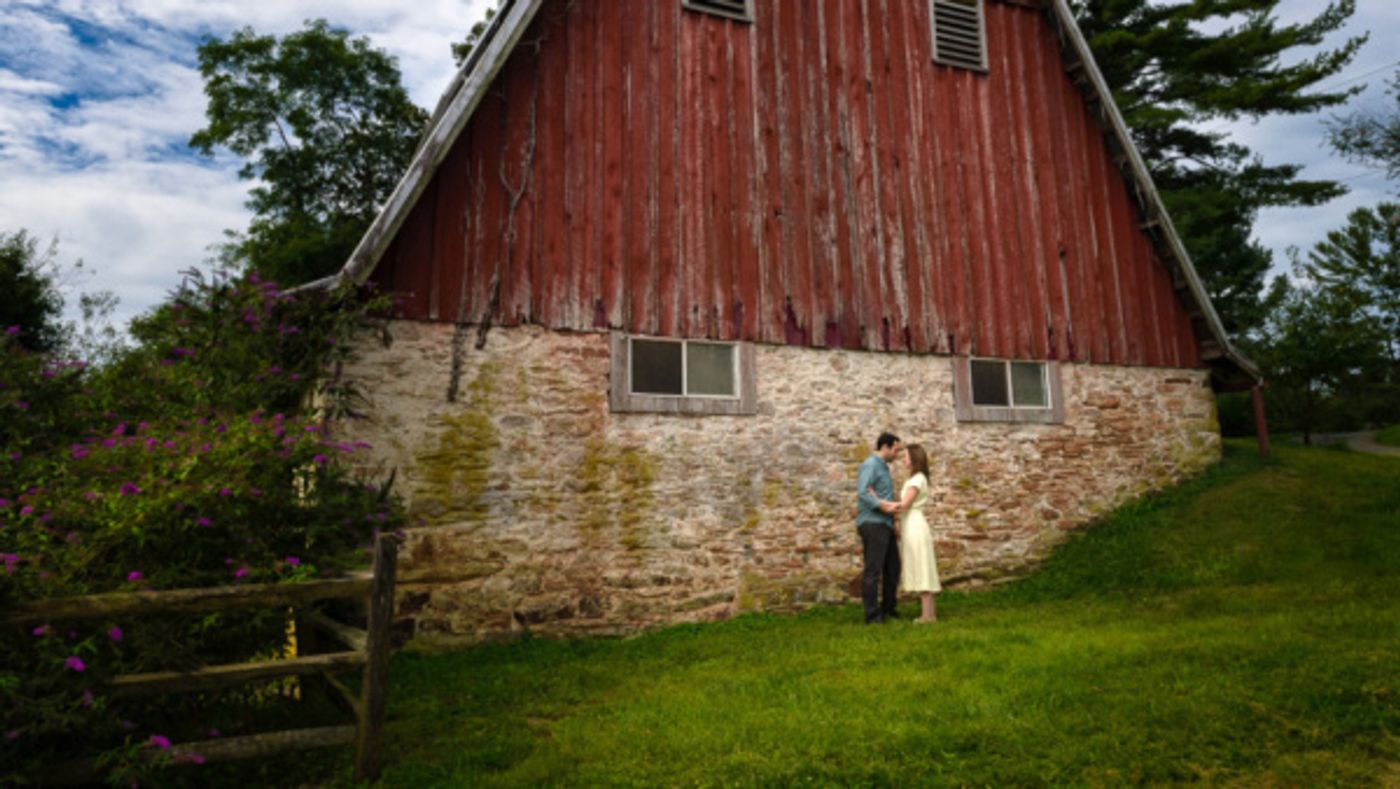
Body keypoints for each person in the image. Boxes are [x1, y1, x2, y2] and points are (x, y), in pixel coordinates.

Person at [855, 432, 902, 624]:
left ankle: (888, 608)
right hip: (873, 524)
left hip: (886, 524)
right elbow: (863, 492)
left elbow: (882, 493)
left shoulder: (883, 467)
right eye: (896, 450)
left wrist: (894, 519)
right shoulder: (870, 464)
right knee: (873, 570)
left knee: (893, 568)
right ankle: (872, 615)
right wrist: (883, 506)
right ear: (886, 447)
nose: (897, 454)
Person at [894, 444, 940, 623]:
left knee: (922, 567)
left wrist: (879, 503)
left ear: (914, 459)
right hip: (911, 524)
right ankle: (928, 614)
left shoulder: (917, 479)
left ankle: (928, 616)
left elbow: (904, 505)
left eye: (905, 456)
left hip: (915, 526)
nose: (904, 460)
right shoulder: (916, 478)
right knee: (921, 566)